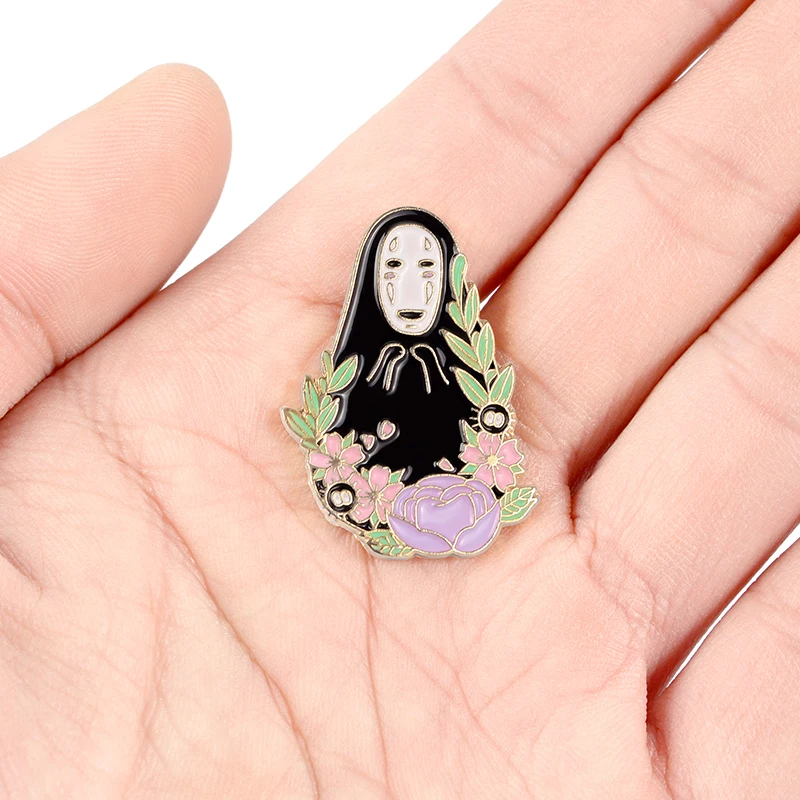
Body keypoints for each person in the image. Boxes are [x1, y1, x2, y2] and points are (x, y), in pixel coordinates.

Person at [1, 0, 799, 795]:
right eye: (394, 270)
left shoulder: (471, 389)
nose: (411, 286)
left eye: (425, 269)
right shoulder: (351, 390)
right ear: (371, 286)